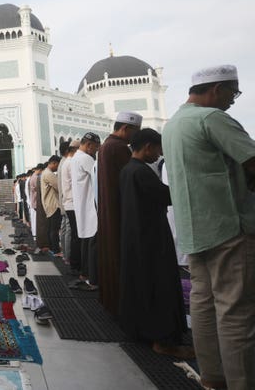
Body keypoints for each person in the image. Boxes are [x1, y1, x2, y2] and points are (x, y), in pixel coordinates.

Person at [163, 65, 255, 390]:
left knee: (203, 302)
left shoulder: (173, 124)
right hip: (228, 228)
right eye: (233, 92)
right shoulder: (211, 119)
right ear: (217, 89)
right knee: (236, 310)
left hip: (194, 229)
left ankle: (213, 377)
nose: (233, 100)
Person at [118, 129, 191, 358]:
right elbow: (165, 196)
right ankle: (163, 340)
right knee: (158, 286)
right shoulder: (141, 172)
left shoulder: (127, 170)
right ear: (148, 146)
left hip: (135, 237)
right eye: (158, 149)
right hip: (151, 238)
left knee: (142, 284)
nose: (159, 155)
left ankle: (143, 331)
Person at [97, 111, 142, 315]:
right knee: (119, 255)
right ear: (126, 128)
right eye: (135, 131)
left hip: (108, 208)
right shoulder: (119, 148)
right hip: (119, 209)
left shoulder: (106, 145)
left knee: (110, 253)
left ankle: (111, 300)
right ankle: (122, 303)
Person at [71, 133, 100, 288]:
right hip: (90, 206)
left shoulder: (75, 158)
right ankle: (92, 278)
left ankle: (85, 273)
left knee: (86, 241)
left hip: (82, 205)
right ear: (89, 145)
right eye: (95, 148)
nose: (95, 151)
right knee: (92, 243)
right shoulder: (86, 159)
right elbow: (99, 179)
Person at [61, 140, 81, 273]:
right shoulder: (71, 162)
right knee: (75, 234)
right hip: (72, 203)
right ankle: (74, 262)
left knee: (73, 233)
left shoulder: (66, 162)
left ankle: (73, 261)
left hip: (69, 202)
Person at [42, 155, 62, 254]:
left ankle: (52, 247)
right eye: (57, 165)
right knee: (54, 228)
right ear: (53, 163)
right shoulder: (49, 174)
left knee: (51, 228)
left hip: (49, 203)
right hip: (53, 204)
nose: (57, 167)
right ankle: (55, 249)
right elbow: (59, 186)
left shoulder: (46, 172)